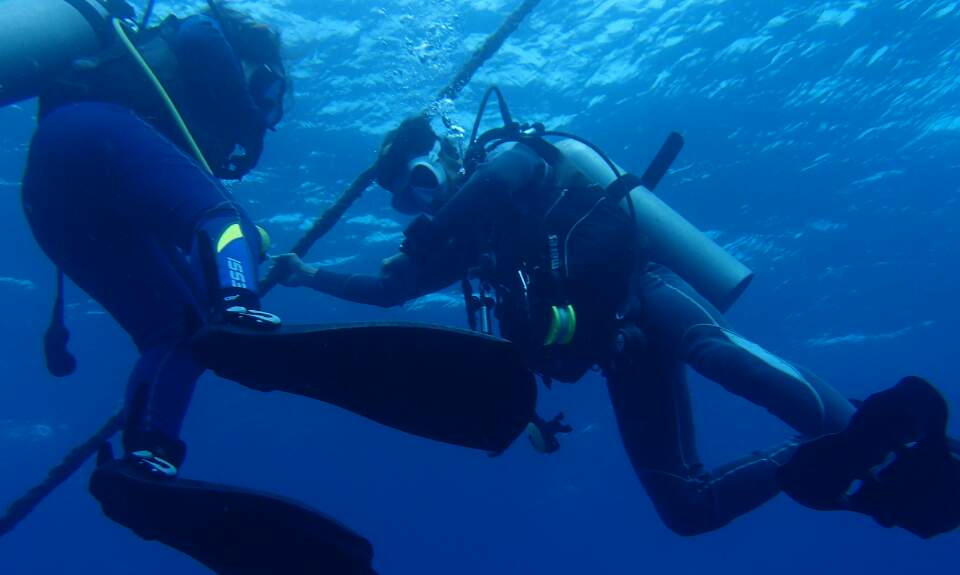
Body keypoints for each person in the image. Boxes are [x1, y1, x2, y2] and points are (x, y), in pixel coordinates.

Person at [273, 89, 960, 540]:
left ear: (447, 153)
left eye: (422, 182)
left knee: (714, 351)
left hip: (641, 284)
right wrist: (309, 277)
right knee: (687, 507)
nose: (422, 205)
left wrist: (427, 234)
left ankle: (885, 447)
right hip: (614, 347)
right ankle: (837, 458)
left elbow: (494, 184)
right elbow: (389, 294)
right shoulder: (468, 239)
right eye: (406, 204)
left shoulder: (509, 158)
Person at [16, 1, 387, 575]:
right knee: (228, 221)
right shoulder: (208, 32)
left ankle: (146, 458)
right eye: (270, 90)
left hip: (55, 193)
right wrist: (249, 106)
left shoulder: (165, 87)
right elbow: (211, 210)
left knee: (174, 333)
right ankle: (242, 313)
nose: (267, 107)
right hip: (91, 134)